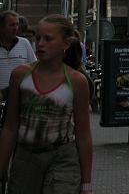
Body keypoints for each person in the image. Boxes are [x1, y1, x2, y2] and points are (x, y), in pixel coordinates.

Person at [0, 14, 93, 194]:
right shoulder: (20, 75)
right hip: (26, 157)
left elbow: (83, 134)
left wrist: (86, 184)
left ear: (65, 44)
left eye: (48, 39)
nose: (40, 44)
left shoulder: (77, 81)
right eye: (38, 38)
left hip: (63, 159)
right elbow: (10, 127)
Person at [0, 10, 37, 96]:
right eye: (12, 25)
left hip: (20, 96)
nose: (16, 28)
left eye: (17, 24)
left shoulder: (25, 43)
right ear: (1, 27)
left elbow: (34, 68)